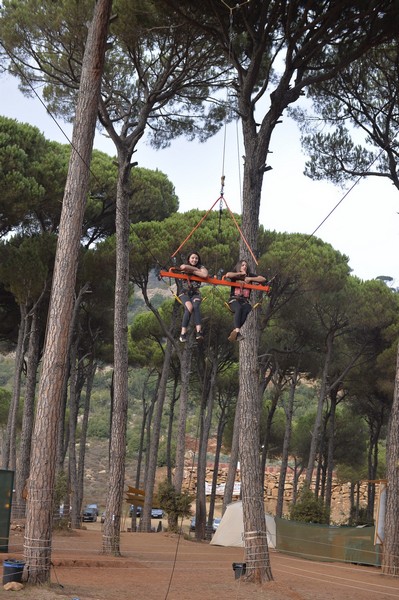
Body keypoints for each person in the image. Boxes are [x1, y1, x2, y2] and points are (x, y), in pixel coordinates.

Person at [225, 259, 266, 342]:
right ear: (239, 266)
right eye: (242, 265)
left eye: (246, 266)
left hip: (244, 301)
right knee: (239, 308)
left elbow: (263, 279)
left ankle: (236, 332)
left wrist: (250, 278)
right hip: (234, 299)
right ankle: (237, 332)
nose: (244, 267)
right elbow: (228, 275)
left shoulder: (249, 275)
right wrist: (240, 274)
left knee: (247, 309)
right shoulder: (235, 274)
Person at [177, 251, 208, 342]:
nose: (194, 260)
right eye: (192, 258)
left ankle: (199, 331)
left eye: (196, 258)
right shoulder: (185, 265)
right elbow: (184, 267)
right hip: (185, 293)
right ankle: (183, 333)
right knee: (189, 308)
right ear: (189, 259)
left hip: (195, 293)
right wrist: (197, 272)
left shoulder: (201, 267)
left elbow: (205, 274)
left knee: (195, 306)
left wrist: (193, 270)